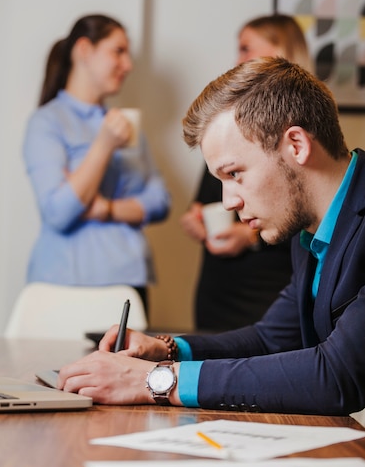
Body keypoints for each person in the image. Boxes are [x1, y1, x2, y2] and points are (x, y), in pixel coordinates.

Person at [57, 57, 365, 416]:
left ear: (296, 145)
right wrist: (168, 351)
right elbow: (271, 339)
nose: (228, 201)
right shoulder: (311, 230)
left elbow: (339, 375)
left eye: (234, 173)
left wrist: (154, 380)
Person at [23, 14, 171, 314]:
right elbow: (58, 212)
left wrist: (104, 207)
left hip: (129, 282)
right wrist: (103, 146)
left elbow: (160, 202)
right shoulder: (46, 122)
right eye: (118, 51)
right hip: (63, 284)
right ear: (84, 50)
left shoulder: (125, 124)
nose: (128, 65)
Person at [181, 14, 312, 330]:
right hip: (218, 289)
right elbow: (207, 200)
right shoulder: (225, 127)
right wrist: (198, 218)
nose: (237, 59)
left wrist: (249, 236)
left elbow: (310, 209)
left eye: (245, 48)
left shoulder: (308, 128)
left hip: (268, 291)